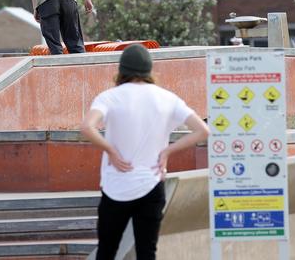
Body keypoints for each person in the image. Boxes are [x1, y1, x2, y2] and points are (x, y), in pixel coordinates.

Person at [80, 44, 209, 260]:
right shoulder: (167, 98)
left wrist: (110, 149)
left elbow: (87, 126)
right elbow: (203, 130)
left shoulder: (109, 97)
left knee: (107, 250)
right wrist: (167, 151)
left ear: (121, 71)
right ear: (149, 71)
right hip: (151, 184)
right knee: (147, 252)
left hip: (115, 187)